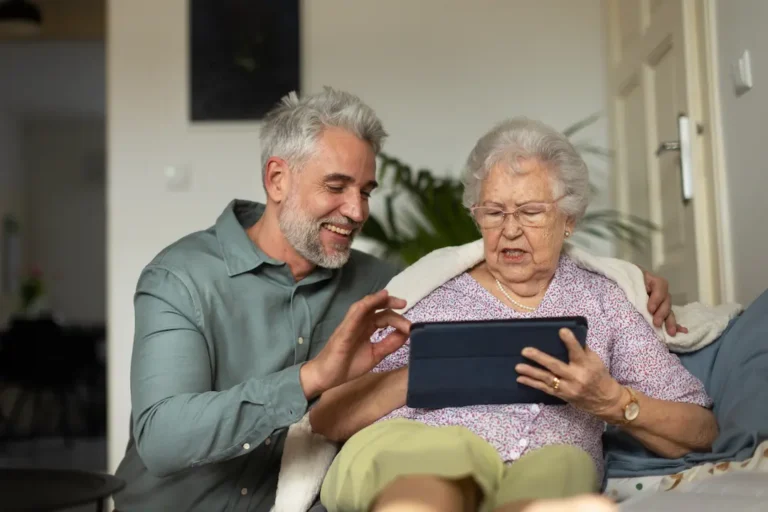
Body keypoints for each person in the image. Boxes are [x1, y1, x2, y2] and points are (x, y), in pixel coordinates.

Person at [113, 88, 679, 512]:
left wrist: (631, 281)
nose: (357, 212)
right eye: (337, 187)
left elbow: (495, 263)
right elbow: (163, 439)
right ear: (277, 179)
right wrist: (311, 377)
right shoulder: (182, 278)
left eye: (365, 191)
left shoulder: (393, 285)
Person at [310, 117, 718, 512]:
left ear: (569, 220)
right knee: (445, 463)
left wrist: (612, 402)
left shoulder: (603, 300)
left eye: (531, 212)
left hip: (548, 460)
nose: (510, 230)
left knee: (564, 466)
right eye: (494, 212)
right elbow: (327, 419)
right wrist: (432, 371)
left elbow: (701, 430)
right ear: (477, 216)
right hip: (415, 447)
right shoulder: (429, 295)